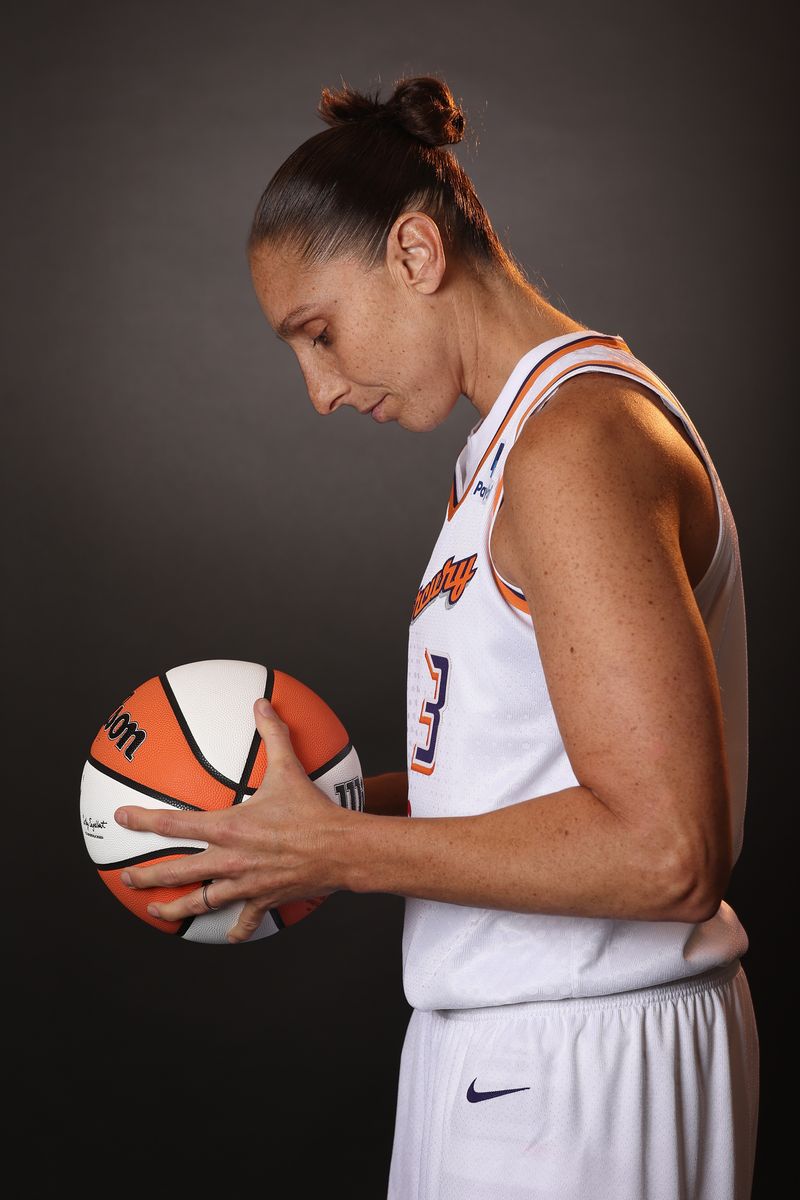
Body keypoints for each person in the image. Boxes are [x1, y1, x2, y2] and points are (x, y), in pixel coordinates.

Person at [113, 75, 760, 1198]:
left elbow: (667, 853)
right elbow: (529, 769)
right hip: (517, 1050)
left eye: (316, 333)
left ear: (413, 254)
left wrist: (337, 855)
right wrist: (311, 812)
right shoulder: (504, 453)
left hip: (580, 1058)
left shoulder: (576, 444)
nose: (315, 390)